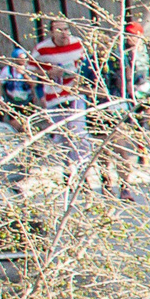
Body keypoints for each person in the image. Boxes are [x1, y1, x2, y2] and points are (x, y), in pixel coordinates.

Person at [96, 19, 150, 201]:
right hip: (98, 108)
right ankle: (106, 182)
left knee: (123, 145)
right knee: (105, 150)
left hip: (127, 99)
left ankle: (126, 185)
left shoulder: (139, 51)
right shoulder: (91, 63)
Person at [31, 17, 95, 185]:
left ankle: (83, 172)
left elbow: (88, 67)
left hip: (75, 94)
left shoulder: (78, 44)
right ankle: (68, 170)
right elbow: (29, 71)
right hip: (55, 98)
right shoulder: (41, 49)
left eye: (66, 29)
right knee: (62, 137)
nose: (64, 34)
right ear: (51, 32)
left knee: (79, 132)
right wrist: (48, 73)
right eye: (59, 30)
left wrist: (81, 77)